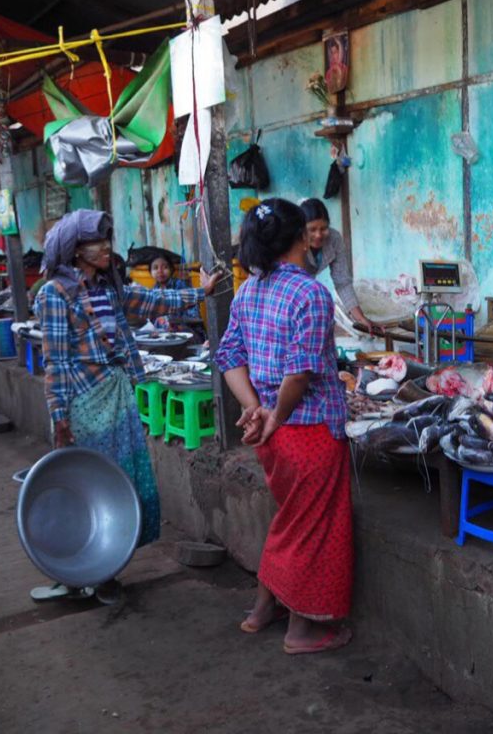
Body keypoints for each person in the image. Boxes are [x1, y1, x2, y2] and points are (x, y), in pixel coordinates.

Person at [34, 210, 221, 594]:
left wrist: (202, 292)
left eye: (106, 241)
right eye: (96, 244)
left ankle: (108, 569)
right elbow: (55, 360)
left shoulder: (111, 286)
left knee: (123, 484)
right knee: (91, 487)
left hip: (118, 394)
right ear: (76, 252)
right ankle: (82, 571)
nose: (106, 249)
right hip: (83, 401)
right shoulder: (54, 294)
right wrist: (59, 416)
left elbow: (152, 301)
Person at [216, 197, 353, 655]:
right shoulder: (311, 294)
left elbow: (229, 357)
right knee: (312, 528)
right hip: (308, 429)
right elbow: (300, 373)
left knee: (291, 519)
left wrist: (256, 410)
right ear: (300, 238)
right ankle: (303, 629)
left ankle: (261, 610)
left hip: (273, 436)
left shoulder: (249, 290)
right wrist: (274, 414)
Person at [299, 197, 380, 334]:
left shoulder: (334, 239)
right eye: (312, 229)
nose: (318, 235)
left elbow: (342, 282)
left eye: (323, 228)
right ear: (301, 229)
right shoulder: (293, 241)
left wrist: (360, 318)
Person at [149, 252, 203, 337]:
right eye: (155, 268)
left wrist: (172, 321)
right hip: (163, 335)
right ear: (150, 272)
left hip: (188, 331)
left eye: (165, 267)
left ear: (171, 270)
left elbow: (194, 317)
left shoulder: (181, 286)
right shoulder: (152, 292)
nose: (160, 271)